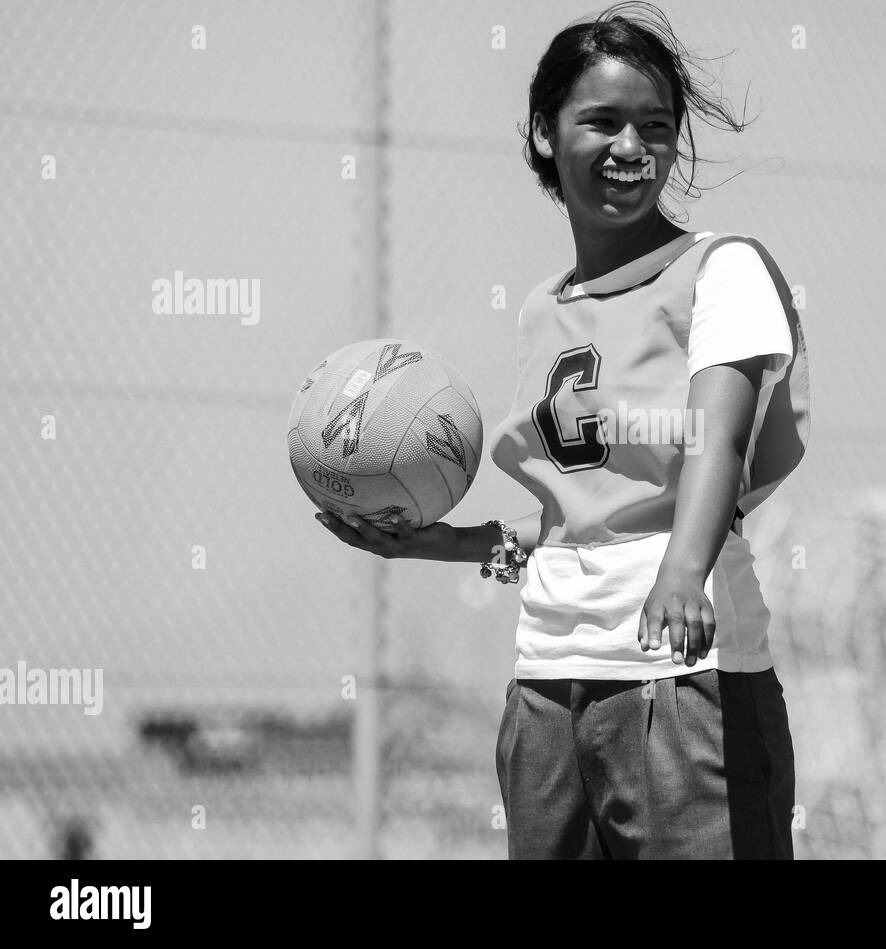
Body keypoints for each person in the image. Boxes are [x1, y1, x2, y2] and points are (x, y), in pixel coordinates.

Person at [318, 1, 810, 859]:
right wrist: (422, 542)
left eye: (656, 126)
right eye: (604, 121)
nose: (633, 147)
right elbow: (566, 528)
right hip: (547, 683)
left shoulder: (722, 270)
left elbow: (717, 446)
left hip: (683, 675)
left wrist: (684, 570)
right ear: (547, 134)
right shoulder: (546, 311)